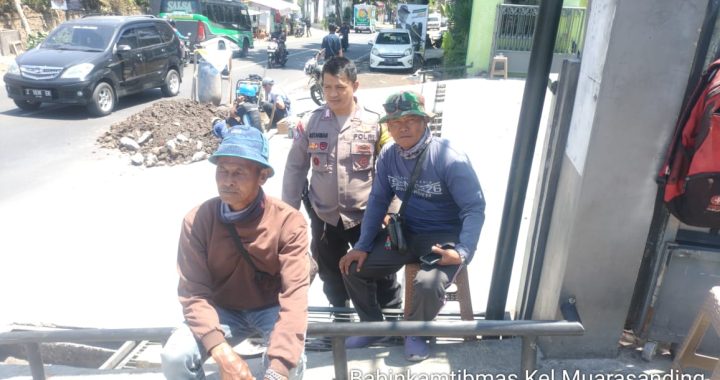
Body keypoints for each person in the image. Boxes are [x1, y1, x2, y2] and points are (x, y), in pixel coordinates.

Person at [339, 90, 486, 362]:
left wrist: (463, 251)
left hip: (444, 237)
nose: (401, 127)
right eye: (394, 123)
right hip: (406, 233)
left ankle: (416, 332)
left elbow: (474, 208)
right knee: (352, 266)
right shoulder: (388, 156)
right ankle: (372, 327)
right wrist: (362, 245)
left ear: (424, 122)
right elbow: (378, 201)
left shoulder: (450, 158)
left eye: (410, 120)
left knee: (428, 284)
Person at [161, 126, 311, 380]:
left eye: (239, 172)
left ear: (262, 176)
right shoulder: (198, 220)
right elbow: (193, 293)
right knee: (175, 357)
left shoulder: (289, 222)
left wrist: (279, 369)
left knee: (290, 364)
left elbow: (295, 297)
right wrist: (221, 352)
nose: (227, 180)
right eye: (222, 170)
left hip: (271, 307)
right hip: (221, 309)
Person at [282, 57, 399, 312]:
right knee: (331, 273)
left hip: (368, 217)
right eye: (327, 87)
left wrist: (392, 212)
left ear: (355, 86)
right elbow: (295, 168)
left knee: (379, 272)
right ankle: (341, 320)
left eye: (340, 87)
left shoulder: (376, 123)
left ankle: (390, 321)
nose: (332, 94)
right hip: (325, 217)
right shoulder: (310, 123)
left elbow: (393, 170)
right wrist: (288, 214)